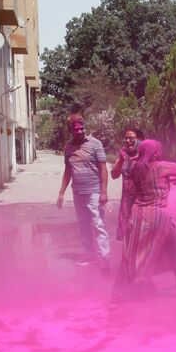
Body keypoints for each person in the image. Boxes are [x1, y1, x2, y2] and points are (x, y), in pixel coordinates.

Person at [113, 140, 176, 302]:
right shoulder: (162, 166)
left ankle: (117, 294)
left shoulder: (135, 168)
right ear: (154, 153)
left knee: (129, 255)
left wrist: (171, 179)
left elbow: (151, 183)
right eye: (158, 150)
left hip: (138, 217)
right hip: (158, 218)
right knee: (174, 251)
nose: (160, 152)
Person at [56, 113, 110, 268]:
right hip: (78, 193)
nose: (79, 131)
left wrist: (104, 192)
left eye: (81, 128)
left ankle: (105, 258)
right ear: (70, 130)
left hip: (94, 191)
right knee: (84, 225)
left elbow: (103, 168)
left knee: (98, 224)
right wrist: (61, 192)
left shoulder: (95, 144)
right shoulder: (68, 147)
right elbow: (68, 171)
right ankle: (91, 255)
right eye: (76, 129)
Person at [111, 127, 142, 241]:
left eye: (131, 138)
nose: (128, 141)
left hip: (141, 203)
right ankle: (127, 259)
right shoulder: (123, 157)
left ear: (140, 140)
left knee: (141, 236)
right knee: (127, 237)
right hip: (126, 204)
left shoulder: (146, 156)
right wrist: (121, 158)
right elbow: (114, 175)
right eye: (126, 139)